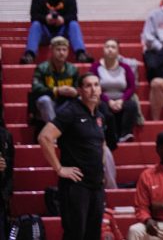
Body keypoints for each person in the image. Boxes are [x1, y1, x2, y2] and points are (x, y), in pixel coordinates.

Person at [37, 73, 116, 240]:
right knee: (75, 234)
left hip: (96, 186)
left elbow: (101, 144)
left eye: (96, 85)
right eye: (88, 86)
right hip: (76, 186)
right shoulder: (70, 112)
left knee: (94, 235)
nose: (93, 89)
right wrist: (59, 168)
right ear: (80, 90)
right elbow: (45, 137)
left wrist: (101, 170)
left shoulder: (100, 116)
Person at [23, 0, 91, 64]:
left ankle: (81, 54)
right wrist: (46, 19)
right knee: (36, 24)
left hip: (62, 32)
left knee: (73, 24)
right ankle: (30, 55)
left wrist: (63, 19)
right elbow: (34, 16)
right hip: (45, 33)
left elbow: (73, 15)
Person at [90, 39, 139, 142]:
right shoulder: (95, 67)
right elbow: (93, 87)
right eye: (107, 47)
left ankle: (125, 134)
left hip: (121, 98)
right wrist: (109, 101)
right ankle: (111, 136)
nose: (110, 49)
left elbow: (131, 87)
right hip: (102, 98)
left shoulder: (125, 67)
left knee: (132, 105)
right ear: (103, 50)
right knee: (104, 109)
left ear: (118, 51)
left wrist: (121, 100)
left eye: (113, 47)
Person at [30, 35, 79, 122]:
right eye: (58, 49)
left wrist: (75, 92)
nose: (61, 53)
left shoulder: (73, 69)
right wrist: (56, 90)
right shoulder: (41, 68)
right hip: (48, 104)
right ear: (51, 50)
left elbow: (79, 88)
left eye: (64, 50)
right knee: (45, 100)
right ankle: (53, 130)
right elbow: (36, 89)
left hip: (66, 103)